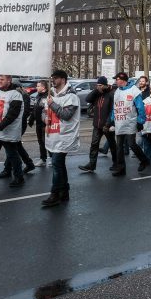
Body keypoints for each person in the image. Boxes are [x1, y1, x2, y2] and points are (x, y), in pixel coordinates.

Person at [41, 70, 80, 207]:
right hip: (53, 135)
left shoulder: (71, 96)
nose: (53, 80)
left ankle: (55, 193)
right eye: (52, 78)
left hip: (65, 136)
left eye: (56, 78)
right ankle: (64, 191)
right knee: (59, 164)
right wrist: (44, 117)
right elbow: (44, 112)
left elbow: (66, 115)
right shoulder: (51, 95)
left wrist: (52, 104)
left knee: (57, 164)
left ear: (63, 79)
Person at [109, 72, 150, 176]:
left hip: (130, 122)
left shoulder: (134, 91)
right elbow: (115, 107)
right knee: (119, 146)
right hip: (119, 122)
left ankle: (144, 160)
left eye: (117, 79)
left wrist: (141, 121)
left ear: (122, 80)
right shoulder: (117, 91)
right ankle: (121, 168)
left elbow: (140, 107)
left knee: (132, 144)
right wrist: (112, 120)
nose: (115, 81)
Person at [0, 78, 36, 178]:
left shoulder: (22, 95)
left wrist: (14, 123)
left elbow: (24, 112)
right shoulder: (14, 94)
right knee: (16, 146)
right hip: (14, 124)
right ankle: (29, 164)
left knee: (11, 146)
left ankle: (8, 169)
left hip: (18, 125)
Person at [78, 76, 118, 173]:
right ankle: (91, 165)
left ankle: (116, 163)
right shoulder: (97, 93)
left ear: (105, 85)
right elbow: (88, 99)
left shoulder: (112, 94)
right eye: (97, 85)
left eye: (100, 85)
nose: (98, 87)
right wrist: (96, 90)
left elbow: (113, 110)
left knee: (112, 144)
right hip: (97, 124)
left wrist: (109, 124)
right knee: (94, 144)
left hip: (107, 125)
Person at [29, 80, 51, 167]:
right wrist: (31, 118)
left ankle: (53, 158)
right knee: (41, 142)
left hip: (45, 123)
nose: (36, 87)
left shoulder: (47, 96)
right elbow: (36, 108)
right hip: (38, 123)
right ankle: (43, 159)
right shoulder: (38, 96)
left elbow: (46, 110)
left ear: (44, 87)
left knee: (46, 141)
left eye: (38, 86)